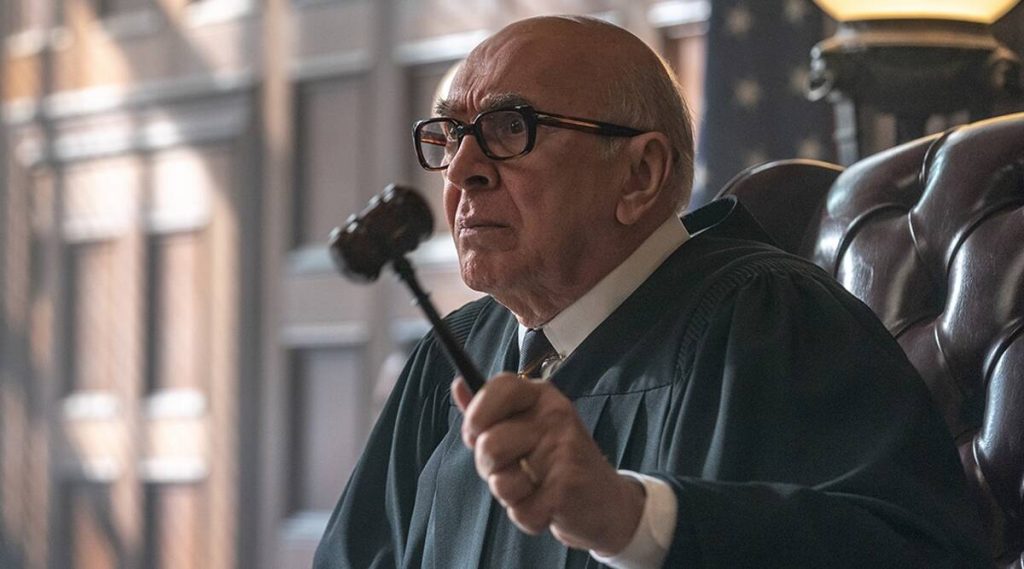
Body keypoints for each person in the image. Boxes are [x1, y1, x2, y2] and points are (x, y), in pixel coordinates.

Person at [314, 15, 991, 569]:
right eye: (450, 136)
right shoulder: (449, 357)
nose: (463, 169)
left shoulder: (769, 322)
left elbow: (906, 553)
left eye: (510, 128)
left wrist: (631, 518)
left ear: (640, 175)